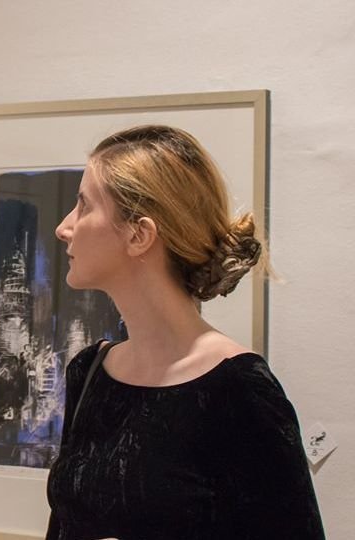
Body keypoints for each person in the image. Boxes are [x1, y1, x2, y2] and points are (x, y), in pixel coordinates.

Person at [45, 125, 324, 539]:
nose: (64, 227)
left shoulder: (238, 389)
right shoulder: (89, 371)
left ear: (139, 235)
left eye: (84, 205)